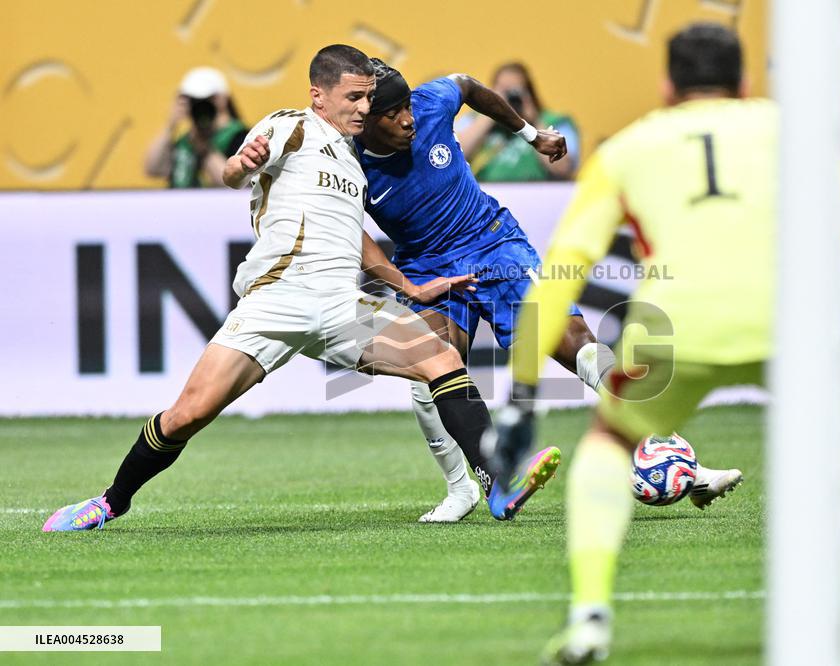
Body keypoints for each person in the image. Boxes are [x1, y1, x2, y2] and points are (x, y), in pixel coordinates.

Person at [488, 23, 840, 665]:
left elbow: (562, 272)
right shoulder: (793, 134)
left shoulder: (628, 148)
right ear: (744, 84)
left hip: (679, 326)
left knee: (609, 443)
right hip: (784, 322)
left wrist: (521, 396)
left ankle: (590, 618)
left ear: (666, 86)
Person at [41, 44, 552, 532]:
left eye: (368, 98)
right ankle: (110, 502)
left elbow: (356, 239)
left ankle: (495, 482)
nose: (363, 107)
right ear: (318, 95)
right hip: (277, 299)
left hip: (343, 304)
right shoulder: (292, 126)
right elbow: (236, 170)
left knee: (440, 358)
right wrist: (239, 167)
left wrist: (407, 288)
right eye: (353, 97)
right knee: (186, 415)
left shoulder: (357, 159)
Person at [356, 59, 743, 522]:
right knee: (427, 369)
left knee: (576, 344)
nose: (407, 118)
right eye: (393, 113)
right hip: (424, 265)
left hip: (492, 243)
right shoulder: (346, 158)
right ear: (363, 120)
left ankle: (684, 465)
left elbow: (469, 87)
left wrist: (529, 133)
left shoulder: (431, 103)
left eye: (406, 106)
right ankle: (461, 490)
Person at [455, 62, 579, 181]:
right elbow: (454, 157)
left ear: (529, 93)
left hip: (538, 195)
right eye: (503, 91)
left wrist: (534, 121)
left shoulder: (555, 122)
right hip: (485, 196)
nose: (508, 98)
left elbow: (564, 170)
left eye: (515, 91)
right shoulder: (473, 119)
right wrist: (491, 110)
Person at [144, 67, 249, 188]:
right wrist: (170, 126)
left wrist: (205, 149)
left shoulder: (240, 137)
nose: (201, 106)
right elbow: (153, 169)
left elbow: (235, 184)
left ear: (222, 98)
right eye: (193, 100)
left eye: (208, 99)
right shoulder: (186, 140)